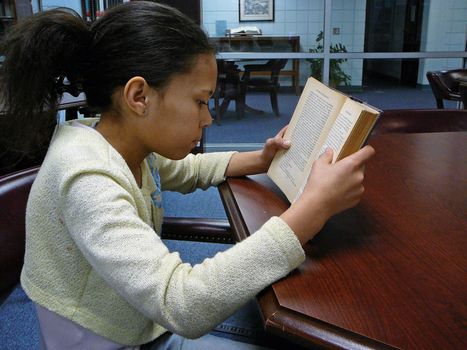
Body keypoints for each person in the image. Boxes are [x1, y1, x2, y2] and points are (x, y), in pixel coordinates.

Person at [0, 2, 375, 349]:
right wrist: (312, 210)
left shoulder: (119, 139)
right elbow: (181, 303)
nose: (208, 118)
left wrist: (260, 159)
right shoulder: (87, 177)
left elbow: (186, 169)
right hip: (111, 337)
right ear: (139, 97)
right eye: (200, 101)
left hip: (137, 314)